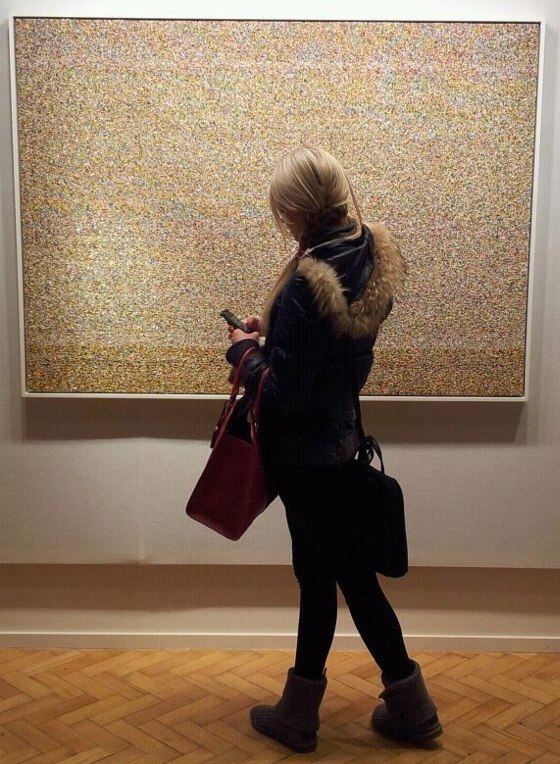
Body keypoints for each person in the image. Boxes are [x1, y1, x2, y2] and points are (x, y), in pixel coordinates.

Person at [225, 146, 442, 754]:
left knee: (333, 580)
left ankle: (327, 716)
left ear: (298, 208)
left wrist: (243, 351)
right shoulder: (365, 255)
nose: (282, 221)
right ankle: (404, 709)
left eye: (283, 211)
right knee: (337, 576)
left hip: (303, 461)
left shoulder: (306, 282)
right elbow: (329, 360)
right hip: (341, 447)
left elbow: (287, 393)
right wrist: (275, 334)